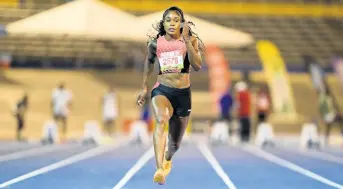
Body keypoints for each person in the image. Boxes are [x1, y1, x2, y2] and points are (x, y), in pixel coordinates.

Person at [136, 6, 204, 185]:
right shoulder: (155, 44)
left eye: (176, 20)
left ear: (181, 24)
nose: (172, 23)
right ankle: (159, 169)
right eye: (168, 20)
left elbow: (197, 66)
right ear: (163, 23)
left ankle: (167, 157)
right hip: (162, 90)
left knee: (175, 144)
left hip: (182, 95)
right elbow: (149, 62)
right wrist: (144, 88)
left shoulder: (191, 40)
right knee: (160, 120)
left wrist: (188, 41)